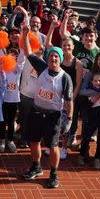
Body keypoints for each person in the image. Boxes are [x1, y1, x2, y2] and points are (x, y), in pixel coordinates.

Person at [21, 28, 73, 189]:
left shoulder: (65, 78)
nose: (53, 59)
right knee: (34, 142)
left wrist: (69, 119)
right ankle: (36, 167)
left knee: (53, 146)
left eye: (56, 56)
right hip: (36, 112)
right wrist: (24, 35)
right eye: (51, 56)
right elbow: (28, 51)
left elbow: (70, 101)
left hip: (53, 116)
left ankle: (53, 174)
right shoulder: (42, 67)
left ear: (61, 59)